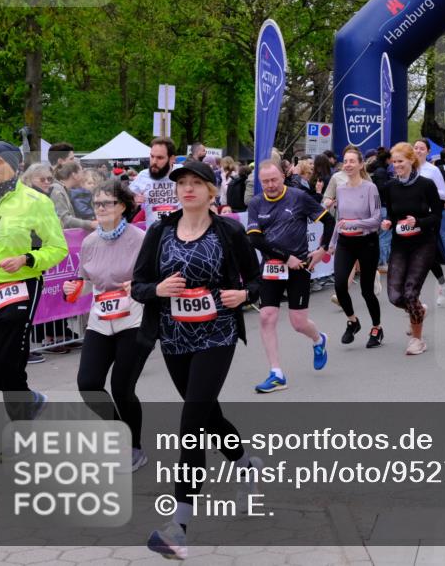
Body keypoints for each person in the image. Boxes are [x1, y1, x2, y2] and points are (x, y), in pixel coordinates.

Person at [131, 160, 262, 559]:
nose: (187, 189)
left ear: (211, 191)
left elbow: (255, 280)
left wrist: (245, 295)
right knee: (206, 415)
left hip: (216, 333)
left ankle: (179, 526)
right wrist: (159, 289)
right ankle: (244, 463)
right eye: (182, 184)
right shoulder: (159, 231)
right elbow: (138, 286)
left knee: (191, 421)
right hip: (173, 337)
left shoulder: (228, 230)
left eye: (196, 183)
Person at [0, 142, 68, 420]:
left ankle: (20, 432)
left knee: (10, 363)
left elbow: (58, 248)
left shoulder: (36, 202)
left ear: (13, 165)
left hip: (21, 286)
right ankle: (28, 398)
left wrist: (27, 259)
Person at [62, 179, 150, 471]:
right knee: (88, 384)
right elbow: (87, 281)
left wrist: (136, 285)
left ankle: (134, 449)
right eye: (96, 203)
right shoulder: (89, 242)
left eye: (107, 203)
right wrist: (74, 288)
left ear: (122, 207)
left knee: (122, 388)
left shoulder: (139, 239)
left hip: (133, 318)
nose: (100, 208)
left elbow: (151, 280)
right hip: (100, 320)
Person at [246, 160, 334, 393]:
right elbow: (255, 239)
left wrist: (322, 249)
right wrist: (286, 258)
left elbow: (329, 220)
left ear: (283, 177)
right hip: (272, 267)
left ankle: (318, 339)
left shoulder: (298, 197)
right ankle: (276, 374)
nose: (270, 185)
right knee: (267, 317)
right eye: (265, 182)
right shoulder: (256, 203)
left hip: (300, 267)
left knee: (298, 322)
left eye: (274, 180)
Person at [381, 142, 442, 355]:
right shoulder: (390, 187)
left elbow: (437, 216)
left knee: (409, 292)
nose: (397, 165)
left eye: (401, 161)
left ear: (411, 161)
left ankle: (417, 340)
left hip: (423, 244)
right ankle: (419, 309)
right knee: (394, 296)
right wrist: (388, 222)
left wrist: (418, 222)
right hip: (400, 244)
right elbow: (391, 212)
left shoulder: (426, 185)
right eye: (394, 162)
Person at [329, 148, 384, 348]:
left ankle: (377, 328)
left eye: (353, 161)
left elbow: (376, 219)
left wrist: (356, 224)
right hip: (345, 242)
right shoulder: (341, 189)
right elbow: (340, 220)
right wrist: (332, 243)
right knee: (340, 284)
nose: (348, 164)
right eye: (345, 161)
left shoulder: (370, 188)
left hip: (366, 242)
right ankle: (352, 321)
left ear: (361, 165)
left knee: (366, 290)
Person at [413, 139, 445, 307]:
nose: (418, 151)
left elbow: (444, 194)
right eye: (415, 148)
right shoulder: (408, 168)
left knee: (427, 254)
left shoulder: (433, 170)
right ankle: (413, 294)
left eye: (422, 148)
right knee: (418, 254)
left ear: (428, 152)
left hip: (429, 217)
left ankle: (442, 285)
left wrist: (427, 190)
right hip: (411, 216)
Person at [130, 137, 179, 225]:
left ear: (172, 159)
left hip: (179, 233)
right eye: (152, 156)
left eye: (160, 158)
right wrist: (133, 200)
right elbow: (125, 200)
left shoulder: (183, 173)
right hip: (153, 234)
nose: (154, 162)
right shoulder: (143, 176)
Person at [50, 161, 97, 231]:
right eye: (82, 172)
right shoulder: (57, 190)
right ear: (75, 175)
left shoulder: (65, 190)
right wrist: (90, 224)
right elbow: (64, 219)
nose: (84, 176)